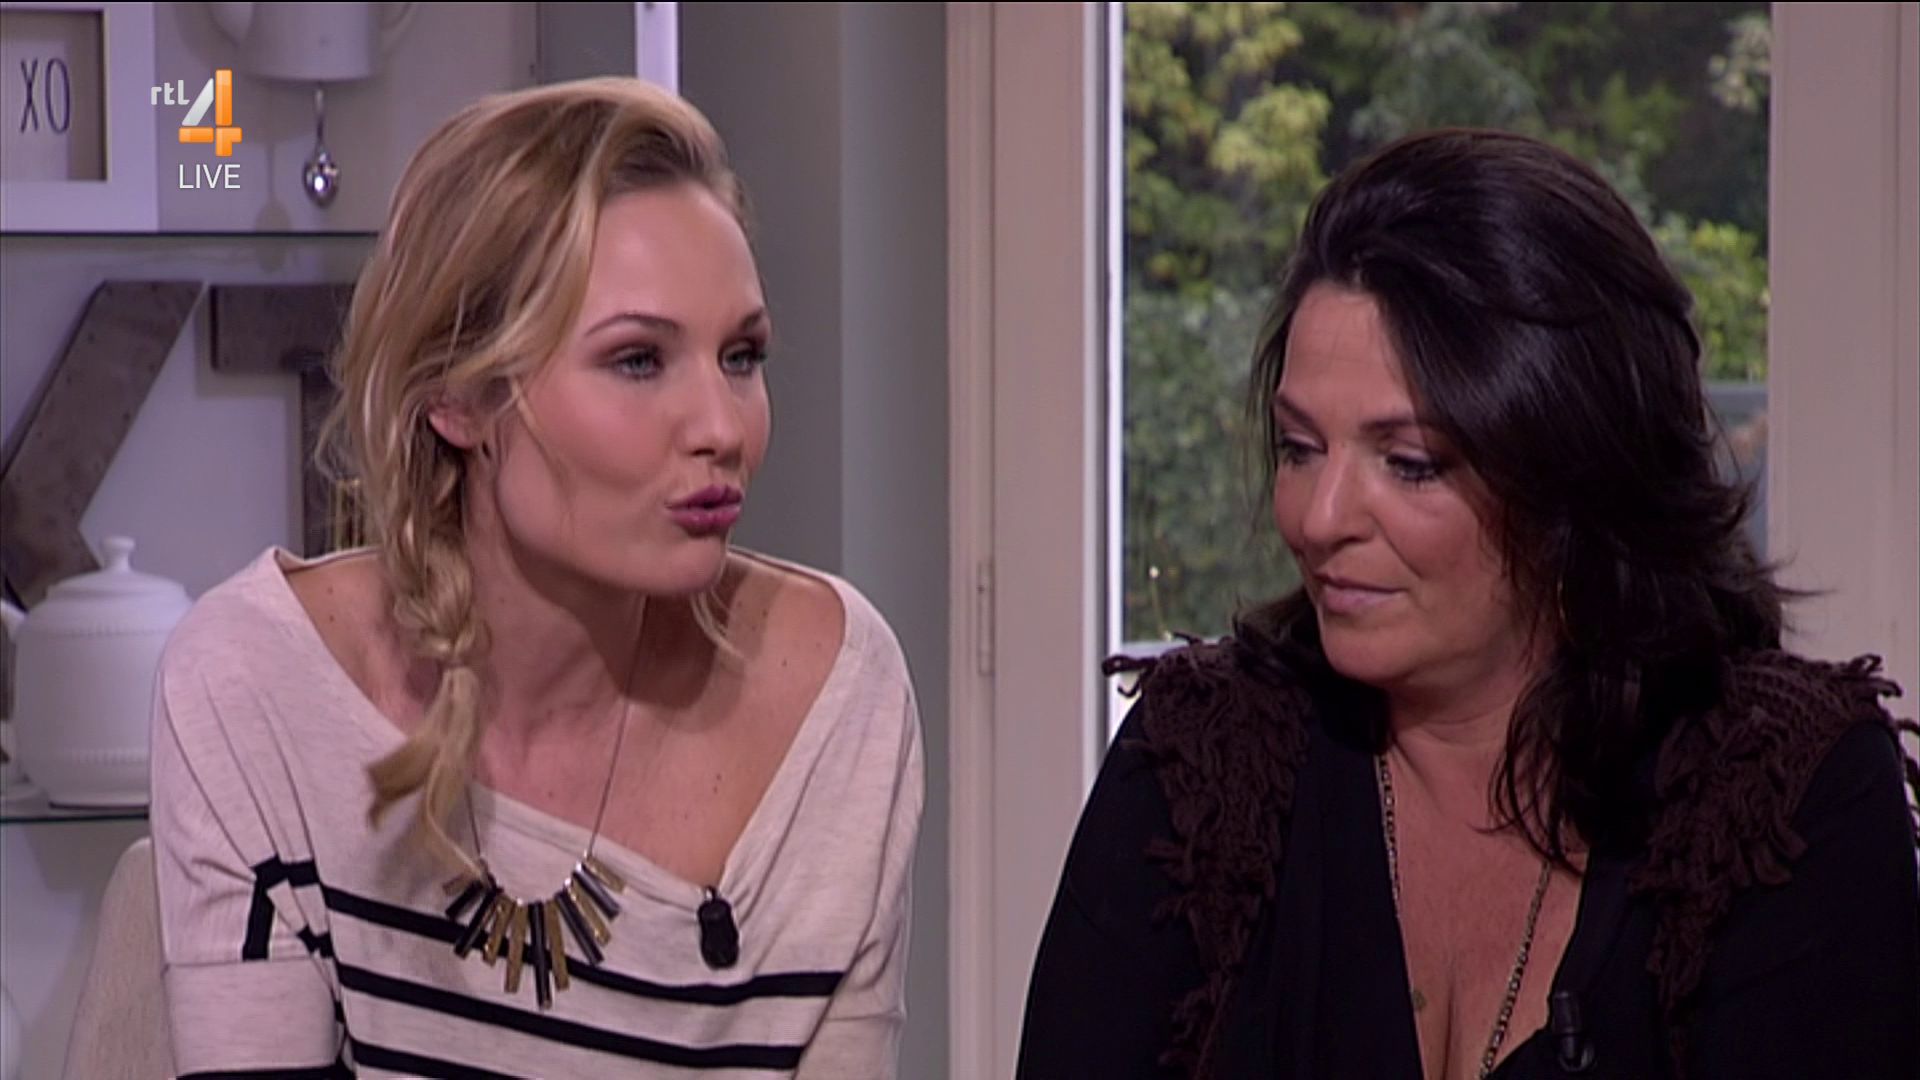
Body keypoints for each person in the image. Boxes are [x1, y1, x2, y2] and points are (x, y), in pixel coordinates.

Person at [1017, 129, 1919, 1079]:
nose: (1319, 520)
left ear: (1576, 480)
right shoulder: (1203, 764)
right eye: (1299, 448)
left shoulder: (1780, 793)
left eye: (1410, 464)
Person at [151, 78, 924, 1079]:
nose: (723, 428)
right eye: (638, 360)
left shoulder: (836, 696)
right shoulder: (258, 687)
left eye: (742, 356)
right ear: (456, 395)